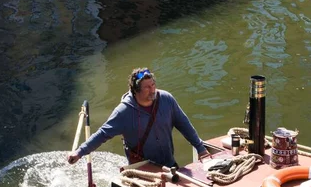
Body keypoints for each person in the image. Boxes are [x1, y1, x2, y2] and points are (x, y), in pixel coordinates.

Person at [67, 68, 209, 168]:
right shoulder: (123, 112)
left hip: (168, 164)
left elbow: (184, 124)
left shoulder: (166, 99)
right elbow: (103, 134)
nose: (152, 90)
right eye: (147, 87)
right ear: (135, 91)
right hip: (142, 170)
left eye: (153, 85)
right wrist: (80, 152)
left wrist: (200, 148)